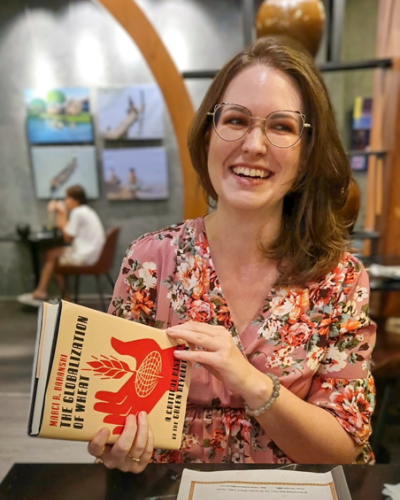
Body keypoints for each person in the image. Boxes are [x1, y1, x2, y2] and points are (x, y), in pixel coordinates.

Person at [88, 37, 376, 470]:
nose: (254, 144)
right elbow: (110, 416)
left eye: (281, 126)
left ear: (307, 154)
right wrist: (118, 450)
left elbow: (343, 449)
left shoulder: (338, 279)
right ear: (208, 137)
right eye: (237, 120)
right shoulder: (150, 262)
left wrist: (252, 383)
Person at [17, 185, 105, 306]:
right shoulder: (86, 210)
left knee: (53, 257)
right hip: (92, 253)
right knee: (52, 255)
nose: (64, 201)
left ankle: (44, 292)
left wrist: (61, 213)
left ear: (74, 199)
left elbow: (67, 237)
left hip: (85, 255)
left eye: (66, 198)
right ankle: (59, 296)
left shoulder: (78, 212)